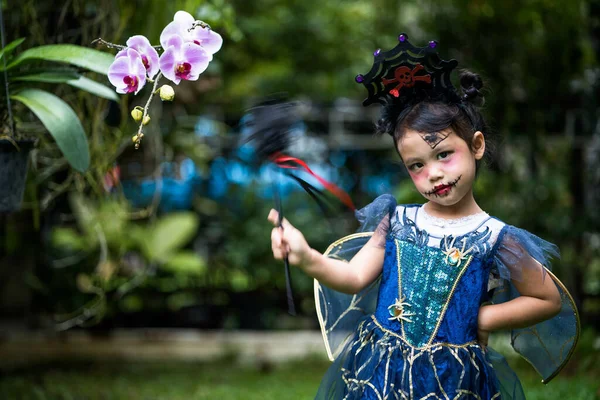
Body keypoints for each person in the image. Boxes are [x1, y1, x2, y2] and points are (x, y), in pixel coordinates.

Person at [267, 34, 579, 400]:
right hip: (380, 371)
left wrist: (481, 319)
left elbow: (547, 300)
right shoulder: (397, 221)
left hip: (453, 379)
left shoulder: (495, 237)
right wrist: (307, 257)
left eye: (444, 154)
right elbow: (352, 277)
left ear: (476, 146)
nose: (433, 173)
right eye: (416, 164)